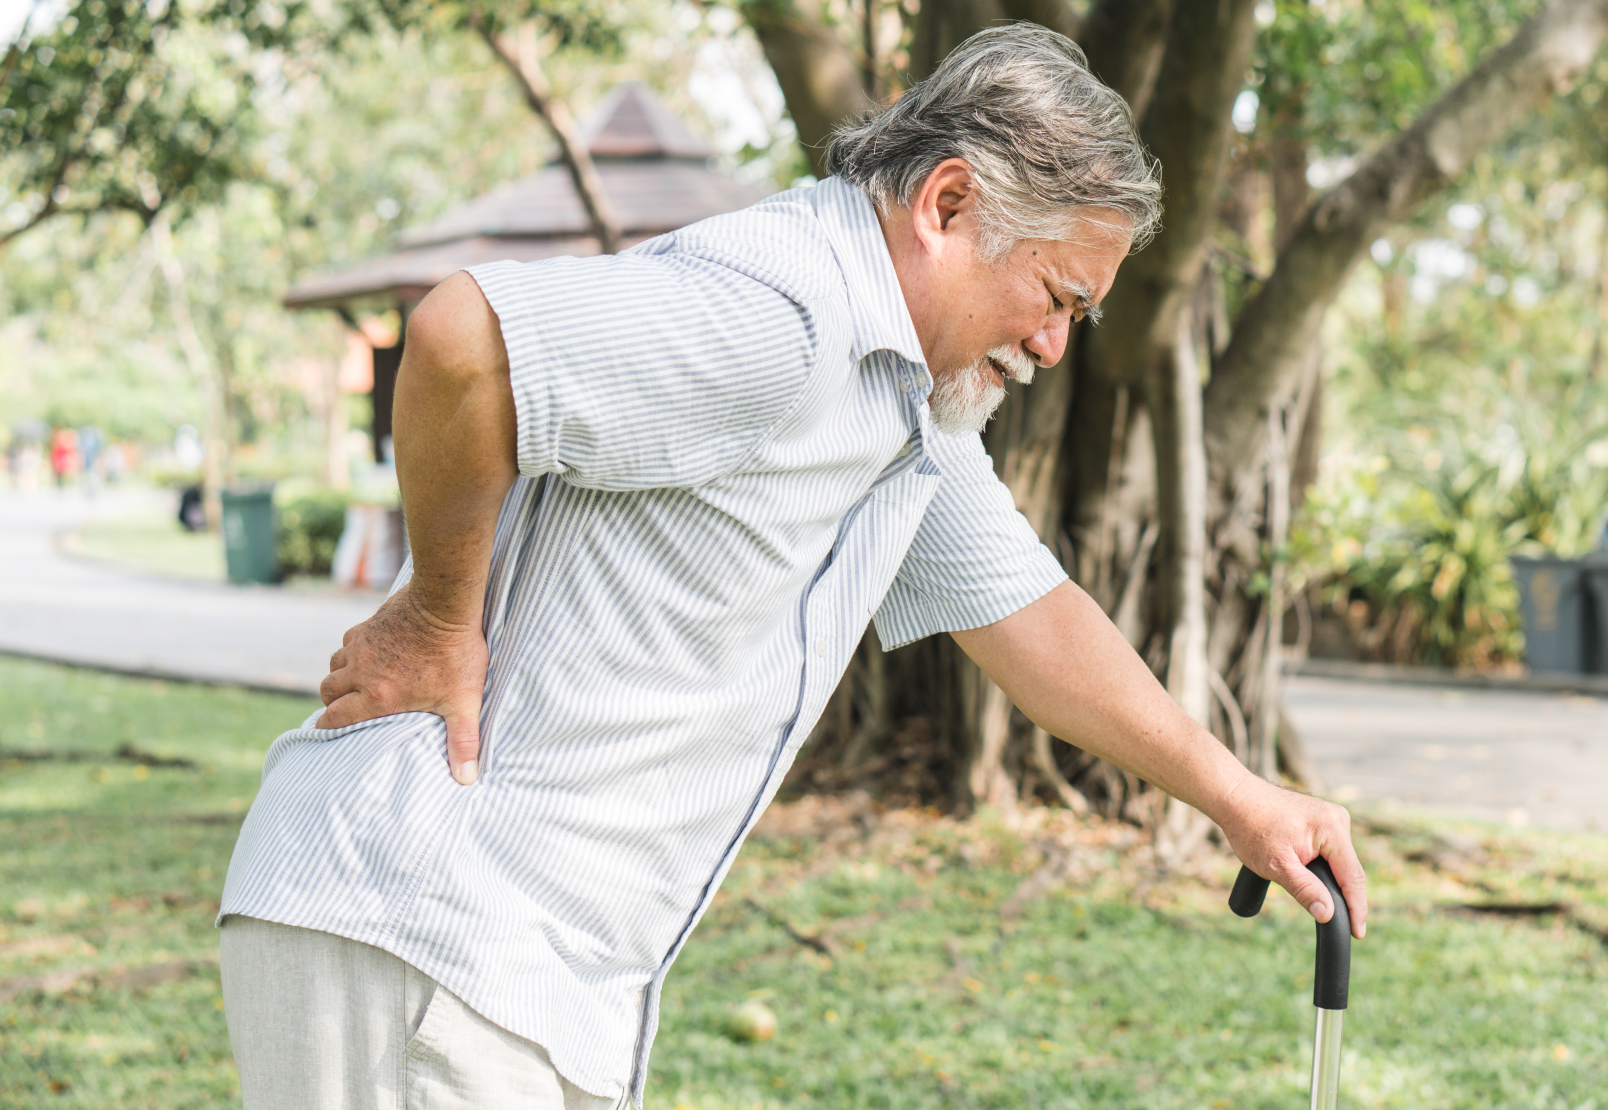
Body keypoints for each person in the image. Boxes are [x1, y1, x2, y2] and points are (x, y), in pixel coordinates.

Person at [218, 25, 1367, 1110]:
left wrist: (1242, 799)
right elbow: (463, 340)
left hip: (510, 968)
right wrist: (433, 620)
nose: (1056, 345)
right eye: (1060, 297)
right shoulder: (785, 317)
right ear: (949, 203)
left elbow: (1037, 621)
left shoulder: (901, 405)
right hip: (424, 922)